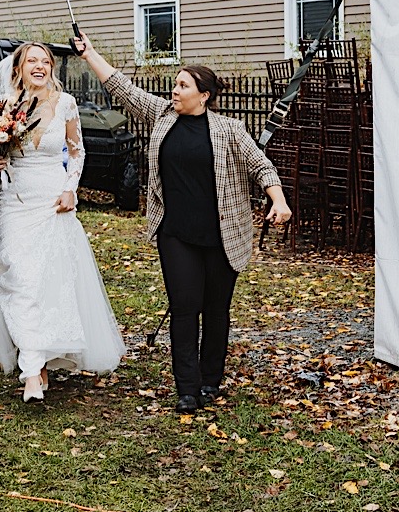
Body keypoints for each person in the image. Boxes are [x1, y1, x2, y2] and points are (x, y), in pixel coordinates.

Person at [72, 31, 292, 414]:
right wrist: (90, 54)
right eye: (175, 84)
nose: (174, 90)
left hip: (223, 235)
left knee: (216, 310)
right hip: (176, 233)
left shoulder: (229, 130)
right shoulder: (163, 116)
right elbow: (123, 89)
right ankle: (187, 387)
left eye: (182, 85)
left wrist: (279, 198)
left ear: (203, 95)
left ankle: (211, 380)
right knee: (184, 307)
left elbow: (261, 165)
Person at [0, 42, 125, 402]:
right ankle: (33, 366)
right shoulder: (4, 106)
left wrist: (72, 189)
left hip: (53, 201)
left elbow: (76, 150)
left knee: (47, 282)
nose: (39, 66)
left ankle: (35, 367)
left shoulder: (66, 103)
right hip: (14, 201)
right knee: (19, 278)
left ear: (51, 67)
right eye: (31, 61)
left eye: (45, 61)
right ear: (19, 68)